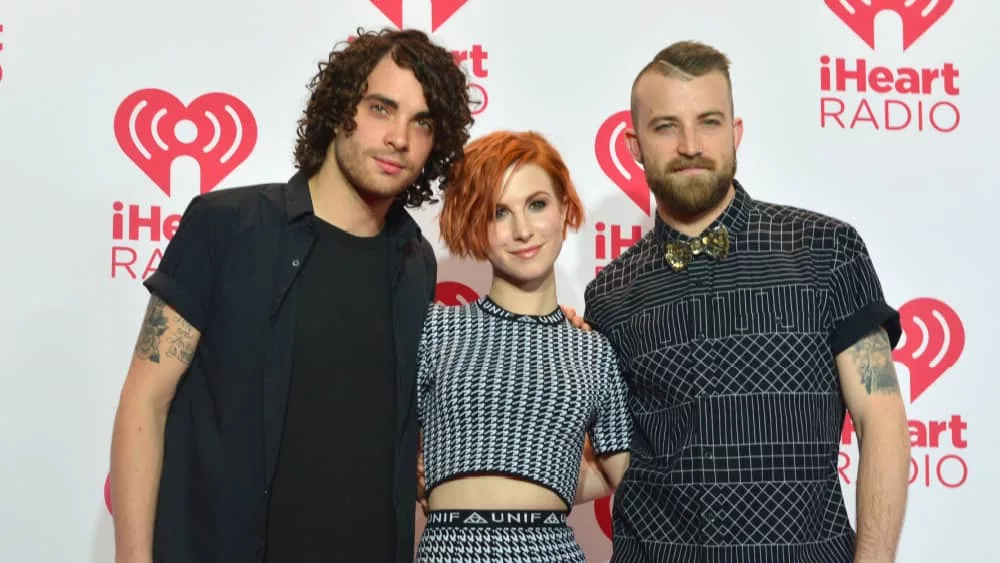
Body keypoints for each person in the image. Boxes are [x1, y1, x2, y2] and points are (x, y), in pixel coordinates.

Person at [108, 28, 473, 563]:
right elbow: (146, 401)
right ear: (339, 108)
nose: (400, 137)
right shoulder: (228, 227)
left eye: (422, 122)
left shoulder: (414, 262)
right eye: (381, 108)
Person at [582, 41, 911, 562]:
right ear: (634, 145)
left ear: (736, 133)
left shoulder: (826, 251)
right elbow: (605, 463)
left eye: (708, 122)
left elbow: (883, 419)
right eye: (666, 126)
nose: (690, 144)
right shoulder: (609, 295)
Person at [413, 130, 632, 562]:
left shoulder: (591, 349)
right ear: (474, 222)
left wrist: (544, 477)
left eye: (537, 204)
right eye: (498, 213)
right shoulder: (435, 329)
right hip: (448, 551)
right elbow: (374, 439)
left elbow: (622, 475)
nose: (523, 230)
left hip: (549, 549)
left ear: (564, 208)